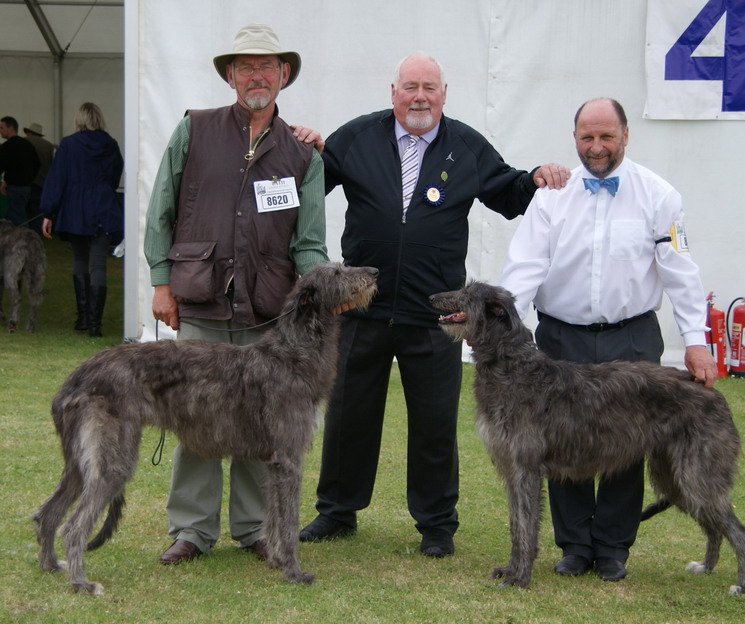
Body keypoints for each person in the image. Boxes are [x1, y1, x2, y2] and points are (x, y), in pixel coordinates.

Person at [298, 53, 569, 558]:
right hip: (361, 310)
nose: (419, 96)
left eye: (429, 87)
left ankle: (437, 524)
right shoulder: (357, 137)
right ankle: (336, 510)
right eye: (410, 87)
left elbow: (507, 191)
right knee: (348, 417)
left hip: (437, 318)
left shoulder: (465, 146)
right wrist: (306, 149)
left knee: (435, 423)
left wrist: (536, 177)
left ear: (445, 93)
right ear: (393, 92)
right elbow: (308, 180)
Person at [499, 97, 717, 582]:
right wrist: (505, 335)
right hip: (561, 339)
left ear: (625, 135)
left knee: (626, 447)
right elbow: (524, 268)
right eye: (586, 138)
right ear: (574, 138)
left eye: (606, 137)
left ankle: (614, 548)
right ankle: (574, 546)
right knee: (559, 446)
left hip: (632, 338)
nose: (596, 147)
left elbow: (680, 271)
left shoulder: (660, 195)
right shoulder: (551, 195)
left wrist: (696, 339)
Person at [143, 23, 329, 566]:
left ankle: (253, 528)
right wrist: (160, 281)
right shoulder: (193, 130)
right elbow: (162, 210)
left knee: (262, 423)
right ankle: (191, 530)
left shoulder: (303, 154)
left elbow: (310, 242)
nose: (256, 76)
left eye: (266, 67)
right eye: (245, 67)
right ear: (229, 75)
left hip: (269, 309)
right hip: (199, 298)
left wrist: (314, 298)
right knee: (196, 419)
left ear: (284, 75)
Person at [41, 103, 124, 338]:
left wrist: (49, 211)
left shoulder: (69, 145)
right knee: (99, 264)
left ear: (79, 119)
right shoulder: (110, 144)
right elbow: (115, 173)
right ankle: (95, 324)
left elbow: (57, 178)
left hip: (76, 210)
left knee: (79, 260)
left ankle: (84, 318)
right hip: (103, 207)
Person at [0, 116, 40, 225]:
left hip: (15, 189)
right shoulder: (28, 145)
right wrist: (28, 180)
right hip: (26, 188)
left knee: (18, 218)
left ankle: (26, 240)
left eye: (2, 128)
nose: (0, 131)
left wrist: (8, 180)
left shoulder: (6, 146)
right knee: (14, 216)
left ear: (10, 128)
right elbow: (37, 164)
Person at [24, 122, 57, 233]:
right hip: (44, 181)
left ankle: (29, 231)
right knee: (39, 208)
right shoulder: (49, 145)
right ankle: (40, 230)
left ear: (29, 132)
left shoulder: (25, 142)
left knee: (27, 208)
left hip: (28, 180)